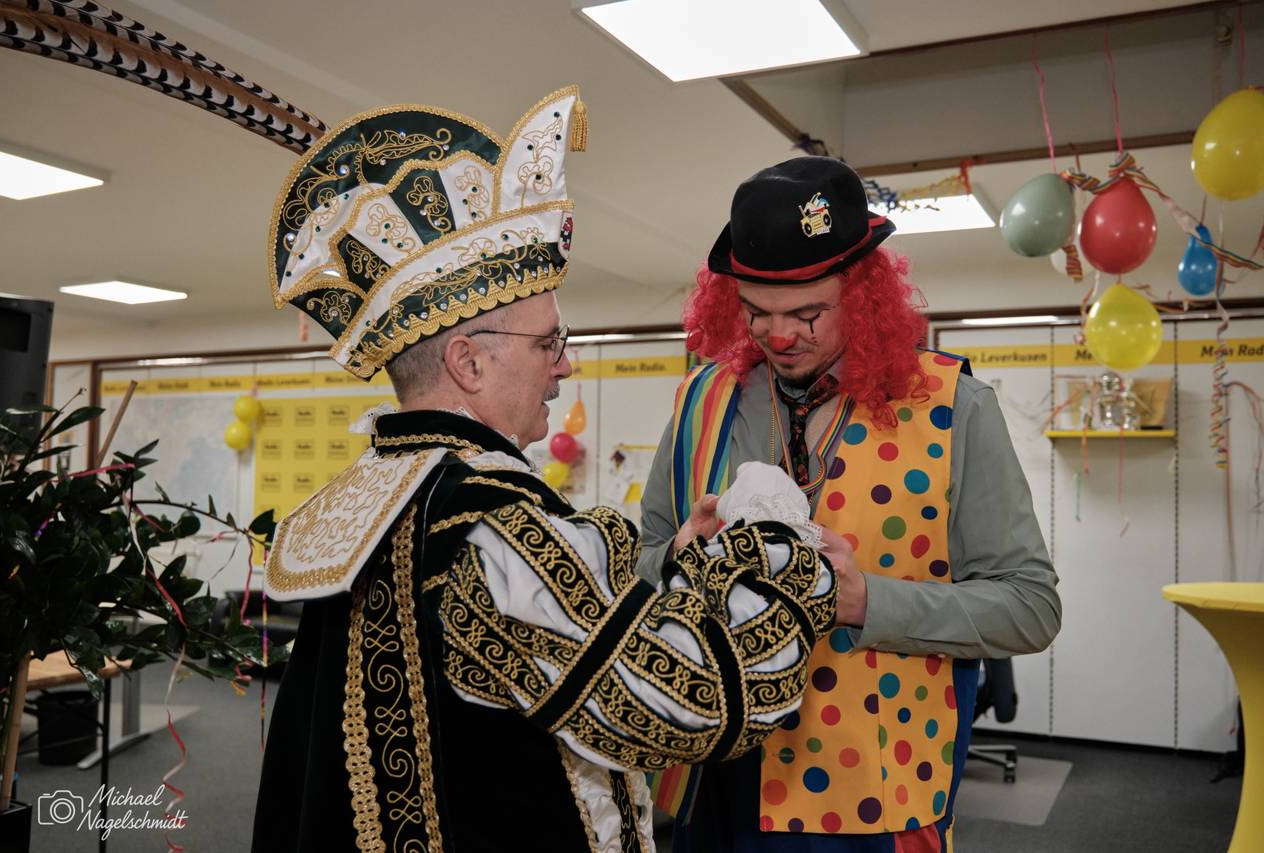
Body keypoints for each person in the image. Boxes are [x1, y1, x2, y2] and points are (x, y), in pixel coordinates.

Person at [250, 88, 845, 852]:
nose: (565, 366)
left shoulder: (380, 491)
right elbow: (693, 701)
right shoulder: (493, 529)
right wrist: (776, 543)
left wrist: (680, 568)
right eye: (548, 343)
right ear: (468, 362)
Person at [636, 156, 1062, 851]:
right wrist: (678, 560)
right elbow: (642, 561)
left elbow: (1030, 606)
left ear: (862, 295)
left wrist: (869, 602)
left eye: (807, 313)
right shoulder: (700, 401)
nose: (778, 336)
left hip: (874, 792)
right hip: (714, 776)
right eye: (756, 313)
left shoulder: (954, 406)